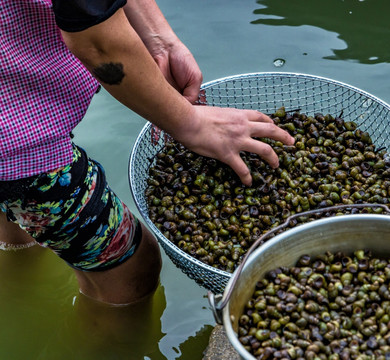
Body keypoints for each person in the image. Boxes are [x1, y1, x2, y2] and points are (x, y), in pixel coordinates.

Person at [0, 0, 294, 305]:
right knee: (131, 266)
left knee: (16, 207)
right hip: (14, 139)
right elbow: (99, 44)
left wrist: (159, 41)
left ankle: (18, 271)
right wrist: (189, 123)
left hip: (12, 78)